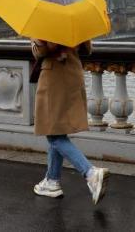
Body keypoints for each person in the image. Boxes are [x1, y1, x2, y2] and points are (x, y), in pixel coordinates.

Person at [31, 38, 109, 204]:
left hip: (54, 77)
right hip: (73, 73)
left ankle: (90, 173)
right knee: (56, 130)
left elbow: (43, 50)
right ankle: (52, 181)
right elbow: (87, 48)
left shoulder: (49, 19)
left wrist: (35, 43)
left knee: (53, 134)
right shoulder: (73, 19)